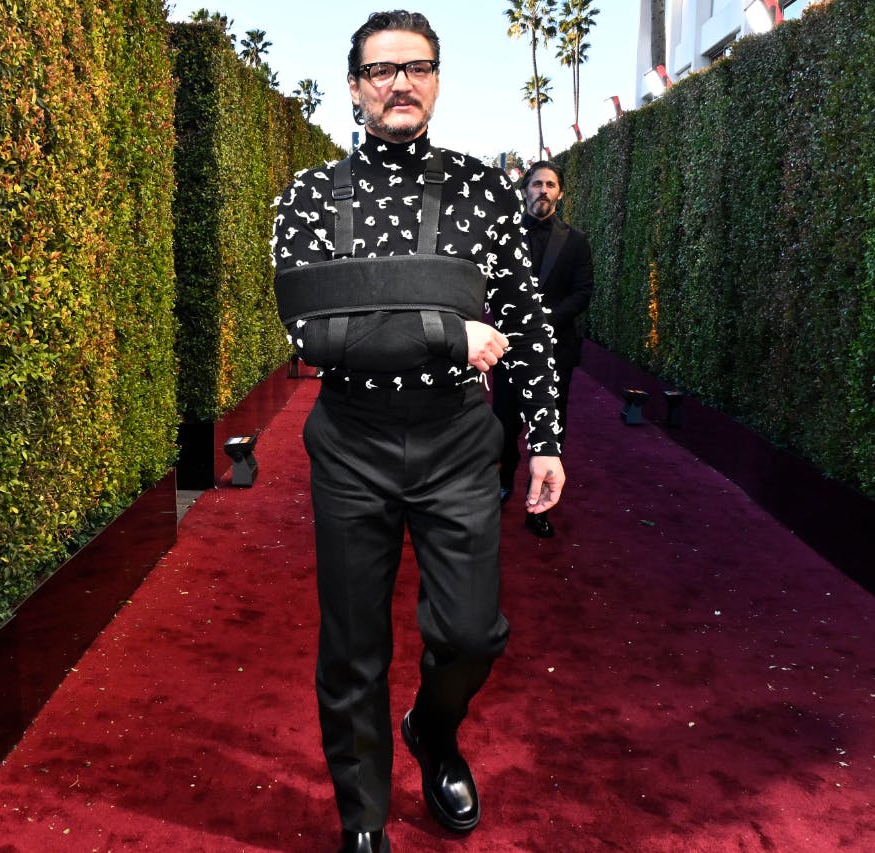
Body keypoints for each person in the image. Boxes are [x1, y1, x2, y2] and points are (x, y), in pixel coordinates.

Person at [271, 11, 565, 853]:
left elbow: (529, 324)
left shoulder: (481, 190)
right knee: (353, 643)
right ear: (355, 85)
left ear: (437, 80)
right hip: (353, 442)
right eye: (383, 69)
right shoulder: (309, 196)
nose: (402, 82)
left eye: (419, 67)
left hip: (458, 440)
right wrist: (446, 332)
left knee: (472, 634)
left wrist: (544, 436)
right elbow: (313, 338)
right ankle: (361, 818)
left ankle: (433, 732)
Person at [492, 160, 593, 539]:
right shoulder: (504, 236)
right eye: (536, 184)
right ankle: (505, 482)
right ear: (525, 190)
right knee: (503, 422)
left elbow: (583, 292)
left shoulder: (577, 241)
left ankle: (540, 506)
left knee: (551, 425)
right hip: (506, 346)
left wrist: (543, 321)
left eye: (550, 185)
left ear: (560, 192)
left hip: (555, 350)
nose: (543, 191)